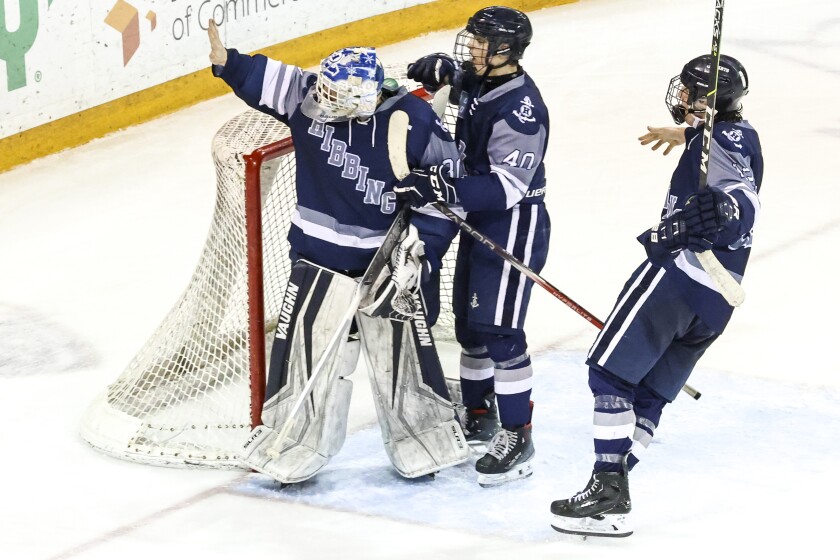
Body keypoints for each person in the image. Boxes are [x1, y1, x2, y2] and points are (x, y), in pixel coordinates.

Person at [206, 20, 468, 483]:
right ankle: (295, 437)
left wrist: (422, 244)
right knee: (305, 354)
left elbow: (450, 193)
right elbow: (269, 79)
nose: (319, 99)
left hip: (387, 262)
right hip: (314, 258)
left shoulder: (413, 120)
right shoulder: (309, 97)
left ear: (361, 99)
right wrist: (228, 60)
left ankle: (422, 436)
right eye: (321, 90)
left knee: (401, 357)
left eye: (333, 96)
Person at [549, 54, 762, 538]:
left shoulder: (720, 141)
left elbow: (744, 199)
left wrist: (727, 209)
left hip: (680, 275)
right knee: (650, 394)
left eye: (688, 91)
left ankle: (607, 486)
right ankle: (613, 499)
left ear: (704, 100)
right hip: (716, 301)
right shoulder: (738, 135)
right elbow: (733, 159)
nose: (680, 97)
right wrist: (689, 135)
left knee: (607, 373)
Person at [394, 6, 551, 487]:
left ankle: (518, 434)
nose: (473, 47)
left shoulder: (523, 109)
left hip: (513, 224)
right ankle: (479, 412)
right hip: (476, 218)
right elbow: (459, 80)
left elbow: (506, 187)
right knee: (471, 329)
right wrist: (446, 69)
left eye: (483, 42)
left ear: (506, 50)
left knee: (500, 332)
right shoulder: (480, 80)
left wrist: (441, 189)